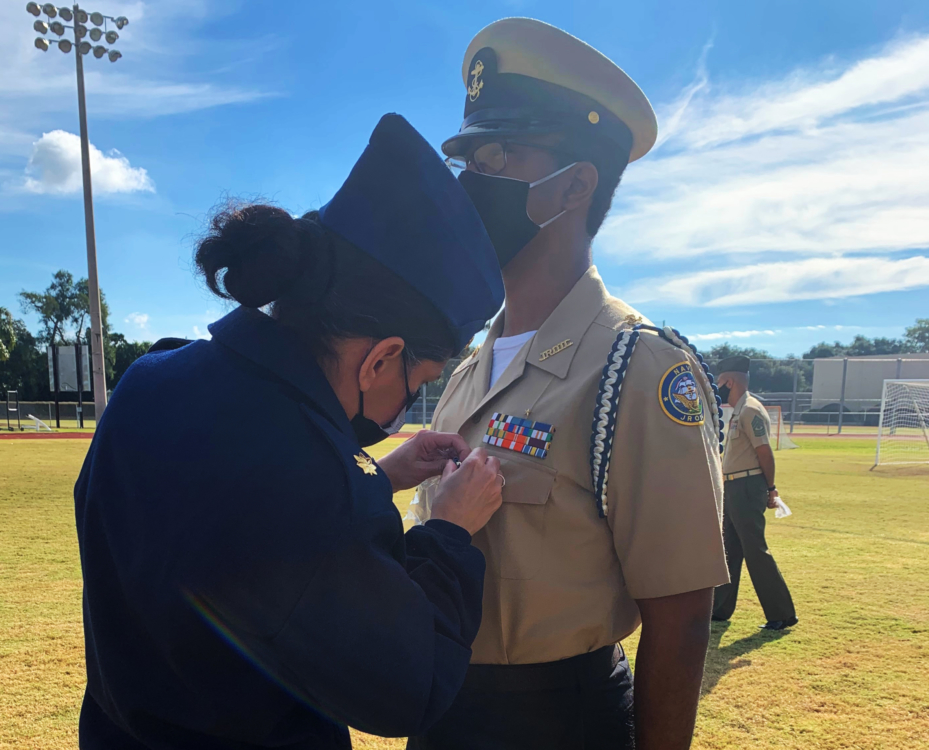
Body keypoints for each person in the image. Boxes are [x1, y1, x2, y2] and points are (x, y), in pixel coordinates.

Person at [73, 114, 509, 750]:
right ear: (382, 357)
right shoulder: (311, 487)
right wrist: (448, 531)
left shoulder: (151, 380)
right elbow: (411, 684)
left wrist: (377, 477)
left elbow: (230, 512)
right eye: (420, 378)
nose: (409, 402)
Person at [407, 18, 730, 750]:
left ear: (574, 186)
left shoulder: (637, 365)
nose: (468, 182)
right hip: (442, 710)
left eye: (495, 154)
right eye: (466, 157)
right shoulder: (470, 364)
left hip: (557, 721)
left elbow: (680, 615)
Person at [711, 355, 798, 630]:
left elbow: (764, 453)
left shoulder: (750, 410)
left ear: (729, 381)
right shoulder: (739, 410)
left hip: (748, 487)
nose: (718, 388)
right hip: (735, 486)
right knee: (730, 550)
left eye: (720, 383)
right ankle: (719, 609)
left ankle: (782, 613)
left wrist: (771, 489)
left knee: (755, 550)